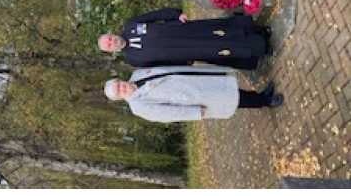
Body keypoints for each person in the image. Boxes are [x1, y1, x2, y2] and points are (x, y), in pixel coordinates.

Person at [98, 7, 271, 70]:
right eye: (110, 45)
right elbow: (160, 65)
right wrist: (183, 63)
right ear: (112, 51)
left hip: (186, 30)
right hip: (187, 51)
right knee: (220, 51)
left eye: (110, 38)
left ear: (112, 34)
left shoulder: (131, 25)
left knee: (220, 30)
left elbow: (156, 15)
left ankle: (258, 31)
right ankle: (257, 50)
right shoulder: (133, 60)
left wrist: (176, 14)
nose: (113, 42)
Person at [104, 64, 284, 122]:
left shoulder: (137, 74)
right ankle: (265, 101)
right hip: (191, 97)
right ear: (120, 98)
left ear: (120, 80)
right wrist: (195, 113)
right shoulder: (138, 106)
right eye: (119, 91)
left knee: (228, 89)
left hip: (192, 80)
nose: (122, 88)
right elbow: (166, 114)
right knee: (230, 99)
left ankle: (260, 95)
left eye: (119, 84)